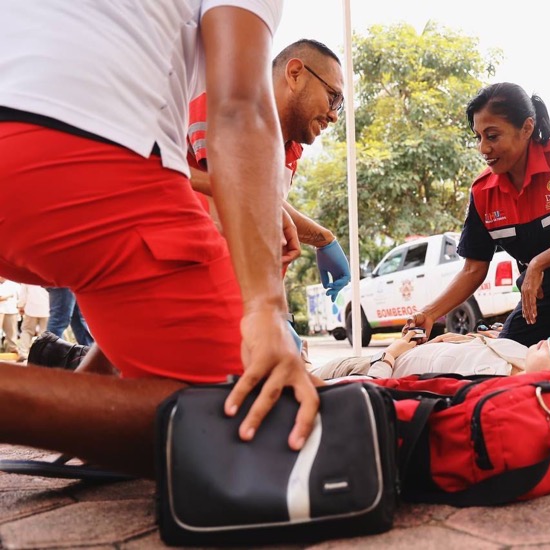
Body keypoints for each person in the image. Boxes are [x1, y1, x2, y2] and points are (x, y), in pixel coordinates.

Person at [0, 0, 318, 478]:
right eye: (334, 98)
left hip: (50, 159)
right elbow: (241, 108)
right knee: (249, 417)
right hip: (70, 153)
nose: (335, 111)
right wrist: (265, 309)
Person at [405, 83, 550, 355]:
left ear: (527, 128)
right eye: (478, 137)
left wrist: (538, 263)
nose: (483, 148)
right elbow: (473, 269)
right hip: (542, 302)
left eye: (492, 136)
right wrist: (428, 313)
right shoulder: (483, 192)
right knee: (506, 361)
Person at [186, 39, 351, 302]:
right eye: (334, 98)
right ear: (295, 73)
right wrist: (322, 238)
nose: (334, 116)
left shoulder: (290, 152)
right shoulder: (226, 101)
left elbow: (268, 219)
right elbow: (238, 199)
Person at [312, 331, 550, 446]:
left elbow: (378, 394)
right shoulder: (526, 357)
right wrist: (458, 338)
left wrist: (391, 354)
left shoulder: (481, 389)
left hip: (365, 369)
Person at [16, 284, 50, 362]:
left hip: (31, 308)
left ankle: (23, 353)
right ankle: (43, 354)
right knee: (45, 333)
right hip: (47, 308)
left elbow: (23, 293)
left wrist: (21, 305)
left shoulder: (27, 275)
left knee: (27, 331)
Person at [0, 277, 19, 355]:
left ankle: (12, 349)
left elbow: (19, 297)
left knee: (11, 332)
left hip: (11, 310)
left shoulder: (14, 284)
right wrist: (8, 296)